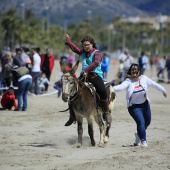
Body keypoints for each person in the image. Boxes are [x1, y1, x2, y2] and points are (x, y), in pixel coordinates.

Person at [112, 63, 167, 147]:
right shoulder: (128, 81)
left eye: (135, 70)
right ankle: (143, 141)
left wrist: (163, 90)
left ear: (139, 71)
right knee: (141, 122)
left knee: (147, 122)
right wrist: (111, 88)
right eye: (132, 70)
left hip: (145, 105)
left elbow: (154, 84)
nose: (134, 71)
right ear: (130, 72)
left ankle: (138, 135)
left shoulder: (144, 78)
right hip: (134, 107)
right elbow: (121, 87)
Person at [64, 33, 111, 126]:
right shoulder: (82, 53)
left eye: (88, 45)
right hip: (83, 76)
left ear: (92, 44)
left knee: (102, 90)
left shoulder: (96, 53)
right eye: (84, 45)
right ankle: (72, 115)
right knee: (72, 91)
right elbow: (75, 49)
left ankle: (106, 113)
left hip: (95, 75)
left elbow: (96, 62)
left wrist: (87, 70)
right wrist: (68, 42)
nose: (86, 47)